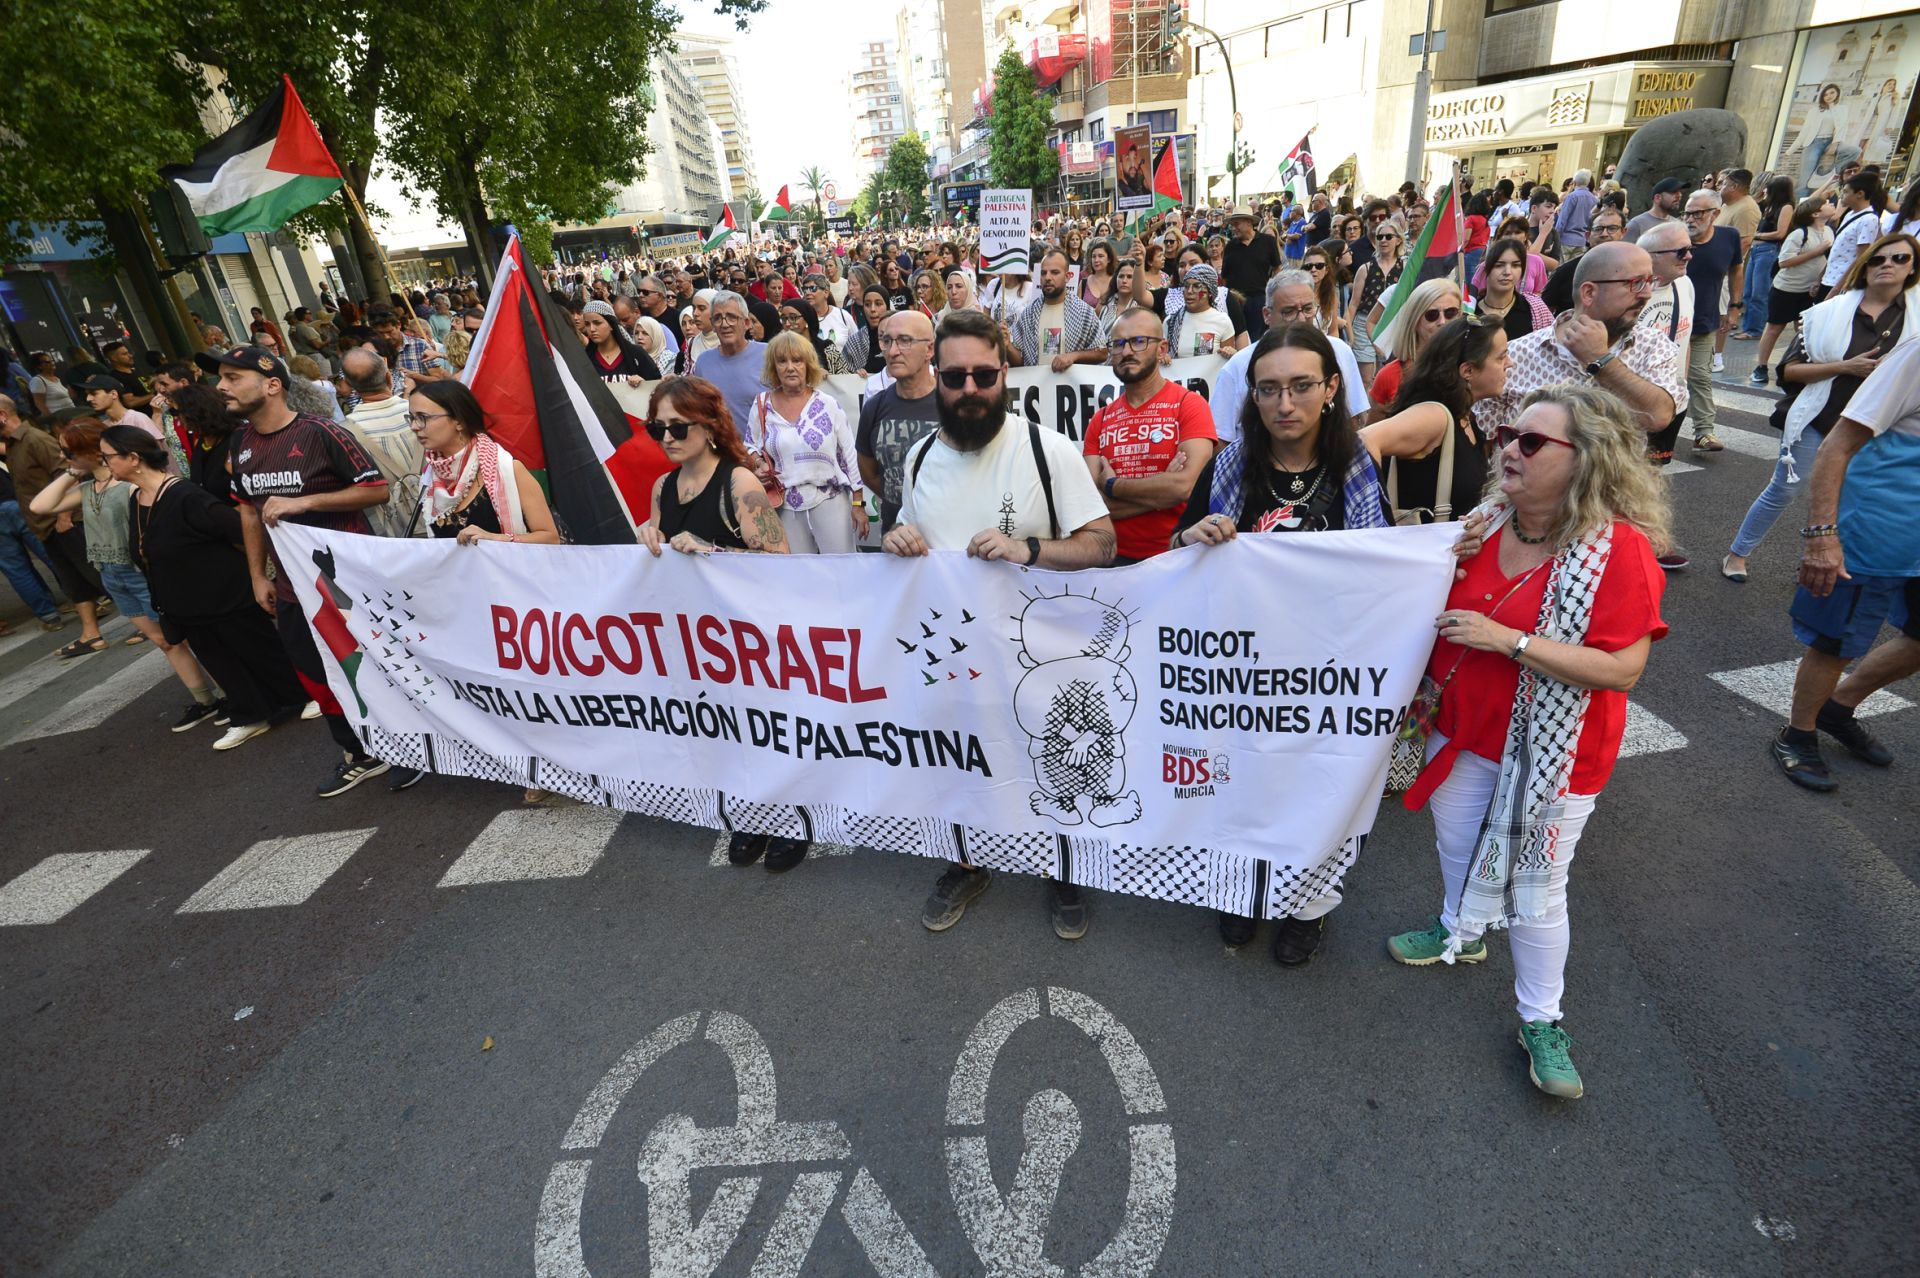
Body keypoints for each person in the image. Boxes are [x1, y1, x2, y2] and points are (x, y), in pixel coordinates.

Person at [1391, 384, 1671, 1100]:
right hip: (1456, 730)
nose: (1510, 448)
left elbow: (1623, 667)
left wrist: (1509, 641)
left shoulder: (1620, 552)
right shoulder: (1481, 524)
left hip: (1556, 760)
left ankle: (1541, 1018)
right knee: (1456, 845)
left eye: (1533, 441)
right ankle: (1461, 925)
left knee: (1539, 894)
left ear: (1586, 462)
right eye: (1509, 435)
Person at [1169, 324, 1416, 959]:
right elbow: (1176, 553)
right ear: (1251, 397)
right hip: (1238, 671)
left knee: (1318, 788)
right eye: (1269, 389)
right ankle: (1239, 891)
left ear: (1331, 389)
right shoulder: (1228, 464)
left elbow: (1382, 564)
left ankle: (1308, 905)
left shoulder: (1354, 462)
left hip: (1325, 673)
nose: (1285, 403)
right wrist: (1194, 540)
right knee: (1235, 783)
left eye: (1302, 386)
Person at [884, 309, 1115, 938]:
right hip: (953, 656)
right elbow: (909, 537)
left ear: (1004, 373)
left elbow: (1102, 544)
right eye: (954, 377)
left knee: (1052, 762)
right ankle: (965, 862)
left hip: (1039, 655)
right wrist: (895, 539)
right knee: (958, 761)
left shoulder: (1049, 451)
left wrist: (1030, 551)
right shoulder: (920, 456)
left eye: (983, 376)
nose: (968, 390)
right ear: (937, 378)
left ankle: (1062, 868)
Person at [209, 343, 397, 797]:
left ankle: (407, 744)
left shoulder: (322, 433)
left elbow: (377, 490)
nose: (221, 387)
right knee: (316, 672)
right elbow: (249, 513)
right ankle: (359, 752)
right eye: (222, 378)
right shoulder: (241, 442)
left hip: (344, 582)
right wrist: (258, 574)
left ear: (272, 385)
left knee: (372, 667)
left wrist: (306, 501)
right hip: (292, 588)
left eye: (234, 378)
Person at [1770, 335, 1920, 791]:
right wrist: (1821, 535)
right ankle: (1797, 733)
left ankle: (1838, 707)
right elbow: (1837, 445)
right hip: (1878, 530)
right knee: (1838, 641)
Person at [1726, 232, 1919, 582]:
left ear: (1912, 268)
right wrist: (1845, 367)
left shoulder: (1916, 319)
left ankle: (1830, 562)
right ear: (1865, 267)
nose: (1887, 264)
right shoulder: (1826, 314)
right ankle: (1738, 553)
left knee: (1854, 498)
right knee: (1784, 489)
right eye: (1877, 259)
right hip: (1821, 417)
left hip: (1881, 428)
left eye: (1899, 258)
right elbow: (1788, 371)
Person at [119, 421, 308, 750]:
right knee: (221, 661)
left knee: (262, 651)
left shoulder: (185, 496)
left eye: (107, 456)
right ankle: (251, 715)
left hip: (225, 594)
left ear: (133, 458)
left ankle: (305, 696)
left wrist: (256, 575)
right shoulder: (137, 497)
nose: (103, 463)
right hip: (185, 603)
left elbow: (241, 529)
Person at [29, 420, 221, 722]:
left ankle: (228, 696)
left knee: (185, 637)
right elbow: (40, 506)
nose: (64, 457)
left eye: (69, 451)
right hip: (112, 575)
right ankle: (205, 701)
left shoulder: (129, 486)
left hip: (140, 572)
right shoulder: (88, 488)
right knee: (163, 643)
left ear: (93, 451)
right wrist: (72, 472)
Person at [1475, 241, 1684, 438]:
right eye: (1636, 283)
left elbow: (1659, 417)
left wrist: (1601, 360)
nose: (1647, 294)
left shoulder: (1653, 345)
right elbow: (1484, 439)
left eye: (1649, 281)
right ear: (1589, 292)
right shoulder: (1517, 355)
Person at [1083, 308, 1217, 564]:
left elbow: (1184, 487)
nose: (1127, 351)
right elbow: (1092, 506)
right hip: (1113, 561)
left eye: (1139, 341)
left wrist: (1113, 486)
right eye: (1118, 344)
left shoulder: (1189, 405)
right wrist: (1161, 493)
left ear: (1162, 348)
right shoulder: (1099, 421)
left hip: (1175, 557)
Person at [1212, 272, 1373, 443]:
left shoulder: (1340, 352)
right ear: (1267, 315)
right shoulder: (1236, 367)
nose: (1301, 318)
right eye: (1289, 311)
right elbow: (1221, 437)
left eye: (1308, 309)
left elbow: (1354, 419)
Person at [1377, 318, 1509, 522]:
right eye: (1501, 357)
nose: (1510, 363)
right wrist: (1370, 519)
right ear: (1468, 371)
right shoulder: (1434, 416)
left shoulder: (1466, 416)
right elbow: (1363, 442)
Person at [746, 332, 867, 553]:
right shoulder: (762, 405)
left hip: (830, 500)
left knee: (842, 572)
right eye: (782, 361)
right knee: (799, 576)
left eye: (797, 360)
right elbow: (750, 445)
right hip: (786, 507)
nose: (790, 367)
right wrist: (758, 464)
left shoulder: (828, 404)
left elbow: (850, 456)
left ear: (808, 364)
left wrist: (858, 504)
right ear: (774, 367)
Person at [2, 396, 106, 655]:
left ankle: (149, 619)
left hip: (64, 524)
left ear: (2, 416)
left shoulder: (34, 439)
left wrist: (64, 518)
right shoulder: (13, 445)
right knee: (75, 584)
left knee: (103, 575)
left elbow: (68, 471)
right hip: (47, 527)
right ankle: (91, 634)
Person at [413, 379, 561, 549]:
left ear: (459, 421)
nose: (414, 426)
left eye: (423, 418)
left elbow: (551, 538)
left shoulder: (509, 470)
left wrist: (495, 539)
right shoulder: (428, 476)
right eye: (412, 417)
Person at [856, 310, 940, 535]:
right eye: (886, 341)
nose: (892, 351)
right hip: (894, 537)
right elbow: (869, 472)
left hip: (946, 544)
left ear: (929, 349)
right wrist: (898, 500)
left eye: (905, 341)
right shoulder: (874, 407)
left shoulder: (952, 405)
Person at [1678, 188, 1744, 451]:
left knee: (1699, 376)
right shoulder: (1676, 237)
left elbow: (1736, 269)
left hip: (1704, 320)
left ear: (1715, 213)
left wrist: (1734, 306)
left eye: (1697, 213)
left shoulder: (1729, 237)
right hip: (1670, 322)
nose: (1691, 219)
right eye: (1688, 213)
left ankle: (1704, 432)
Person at [340, 349, 425, 539]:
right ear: (388, 377)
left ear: (349, 385)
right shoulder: (426, 414)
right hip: (444, 520)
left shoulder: (345, 432)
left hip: (396, 533)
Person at [1635, 221, 1699, 476]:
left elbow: (1686, 338)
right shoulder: (1630, 292)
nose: (1689, 256)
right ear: (1651, 257)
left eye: (1689, 249)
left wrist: (1682, 385)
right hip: (1635, 406)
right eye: (1681, 251)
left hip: (1673, 402)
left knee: (1652, 476)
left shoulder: (1685, 284)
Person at [1752, 197, 1833, 385]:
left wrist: (1819, 281)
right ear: (1815, 213)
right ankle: (1761, 366)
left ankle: (1795, 366)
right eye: (1826, 204)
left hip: (1810, 290)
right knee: (1774, 327)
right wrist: (1817, 251)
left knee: (1804, 329)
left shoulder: (1829, 231)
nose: (1831, 205)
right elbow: (1784, 262)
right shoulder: (1799, 234)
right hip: (1786, 288)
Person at [1367, 278, 1462, 412]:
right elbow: (1373, 430)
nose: (1442, 321)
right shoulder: (1389, 376)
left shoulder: (1468, 367)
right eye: (1432, 315)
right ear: (1414, 321)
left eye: (1450, 313)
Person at [691, 291, 768, 442]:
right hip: (725, 455)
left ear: (746, 323)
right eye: (718, 318)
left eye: (732, 317)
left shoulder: (769, 355)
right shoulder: (703, 362)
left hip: (766, 455)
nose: (725, 324)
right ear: (713, 325)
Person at [1008, 250, 1105, 371]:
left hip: (1071, 388)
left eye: (1054, 272)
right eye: (1043, 273)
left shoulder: (1084, 312)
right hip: (1035, 388)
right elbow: (1021, 364)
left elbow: (1102, 352)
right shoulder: (1028, 315)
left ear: (1068, 276)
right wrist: (1007, 346)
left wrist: (1074, 356)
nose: (1047, 278)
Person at [1735, 175, 1797, 341]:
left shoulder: (1786, 207)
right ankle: (1748, 326)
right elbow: (1752, 203)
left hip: (1768, 251)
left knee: (1759, 292)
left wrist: (1757, 234)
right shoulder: (1769, 205)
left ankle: (1755, 329)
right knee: (1748, 291)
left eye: (1768, 187)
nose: (1764, 190)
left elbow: (1780, 233)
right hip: (1757, 250)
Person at [1345, 218, 1404, 383]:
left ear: (1398, 240)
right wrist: (1350, 335)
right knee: (1365, 378)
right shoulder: (1365, 268)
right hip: (1364, 323)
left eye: (1388, 237)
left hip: (1394, 324)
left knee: (1391, 374)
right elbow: (1354, 303)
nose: (1383, 240)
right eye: (1380, 237)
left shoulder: (1405, 267)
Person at [1541, 203, 1626, 314]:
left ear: (1623, 232)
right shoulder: (1566, 272)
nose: (1604, 234)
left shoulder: (1633, 271)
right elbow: (1545, 311)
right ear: (1587, 236)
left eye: (1612, 228)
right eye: (1598, 229)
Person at [1820, 173, 1888, 304]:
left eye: (1845, 191)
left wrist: (1837, 289)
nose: (1841, 195)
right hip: (1829, 278)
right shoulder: (1850, 214)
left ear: (1860, 194)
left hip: (1840, 282)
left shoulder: (1869, 219)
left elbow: (1860, 258)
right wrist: (1820, 278)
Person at [1467, 239, 1553, 342]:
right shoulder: (1470, 312)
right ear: (1486, 269)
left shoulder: (1535, 308)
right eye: (1499, 265)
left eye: (1515, 265)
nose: (1507, 272)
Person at [1221, 209, 1283, 342]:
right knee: (1236, 337)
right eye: (1232, 224)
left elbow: (1277, 268)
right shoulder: (1230, 246)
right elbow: (1224, 276)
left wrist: (1273, 293)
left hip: (1259, 298)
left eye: (1236, 224)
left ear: (1248, 222)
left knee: (1257, 339)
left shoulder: (1268, 242)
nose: (1234, 228)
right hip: (1235, 301)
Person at [1165, 264, 1239, 357]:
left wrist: (1231, 353)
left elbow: (1228, 364)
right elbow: (1160, 355)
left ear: (1210, 292)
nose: (1189, 291)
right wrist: (1163, 357)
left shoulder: (1222, 321)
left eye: (1197, 286)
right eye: (1186, 286)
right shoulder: (1170, 322)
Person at [582, 299, 663, 384]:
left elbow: (657, 386)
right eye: (587, 324)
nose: (592, 329)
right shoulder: (585, 359)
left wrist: (644, 384)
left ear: (611, 325)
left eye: (597, 323)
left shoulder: (636, 354)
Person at [778, 297, 852, 375]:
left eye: (793, 318)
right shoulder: (779, 349)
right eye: (784, 318)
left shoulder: (826, 348)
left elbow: (844, 377)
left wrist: (828, 376)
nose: (787, 323)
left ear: (807, 319)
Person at [840, 285, 893, 376]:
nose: (872, 309)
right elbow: (841, 373)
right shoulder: (855, 342)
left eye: (878, 304)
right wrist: (855, 375)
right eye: (867, 304)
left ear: (887, 306)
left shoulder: (898, 338)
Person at [1624, 177, 1688, 242]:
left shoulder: (1677, 224)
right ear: (1657, 198)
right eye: (1674, 192)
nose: (1679, 195)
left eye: (1679, 192)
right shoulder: (1636, 225)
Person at [1555, 170, 1598, 258]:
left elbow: (1562, 219)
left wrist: (1555, 237)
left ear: (1574, 182)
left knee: (1561, 269)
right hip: (1582, 240)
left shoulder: (1572, 196)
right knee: (1573, 269)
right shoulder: (1594, 199)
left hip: (1566, 239)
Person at [29, 353, 74, 419]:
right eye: (47, 362)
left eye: (52, 360)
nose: (52, 363)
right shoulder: (38, 380)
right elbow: (39, 403)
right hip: (59, 418)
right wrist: (52, 420)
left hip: (71, 415)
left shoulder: (56, 378)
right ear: (39, 366)